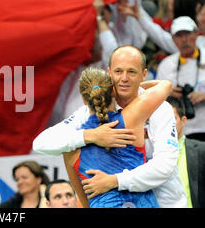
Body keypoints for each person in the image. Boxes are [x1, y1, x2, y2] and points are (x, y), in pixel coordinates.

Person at [33, 45, 187, 208]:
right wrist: (92, 136)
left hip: (165, 202)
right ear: (109, 73)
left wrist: (114, 181)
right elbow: (40, 143)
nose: (124, 78)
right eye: (118, 71)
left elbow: (164, 167)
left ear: (143, 74)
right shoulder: (88, 110)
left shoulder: (160, 108)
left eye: (132, 72)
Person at [63, 67, 172, 208]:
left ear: (84, 99)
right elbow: (165, 85)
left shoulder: (69, 146)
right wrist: (129, 88)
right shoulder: (131, 117)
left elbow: (85, 201)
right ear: (112, 92)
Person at [156, 16, 205, 142]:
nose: (184, 40)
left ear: (196, 33)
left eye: (188, 33)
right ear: (172, 39)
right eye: (179, 35)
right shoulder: (166, 65)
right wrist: (168, 94)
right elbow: (155, 100)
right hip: (181, 131)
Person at [166, 96, 205, 208]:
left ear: (183, 121)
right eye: (163, 120)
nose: (167, 124)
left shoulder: (201, 150)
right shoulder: (150, 152)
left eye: (172, 119)